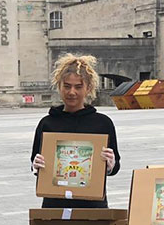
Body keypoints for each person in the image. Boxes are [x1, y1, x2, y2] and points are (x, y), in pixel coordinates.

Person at [31, 54, 120, 209]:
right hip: (55, 204)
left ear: (88, 88)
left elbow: (115, 166)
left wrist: (110, 164)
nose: (72, 92)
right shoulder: (47, 123)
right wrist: (36, 165)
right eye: (67, 86)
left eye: (78, 87)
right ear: (59, 86)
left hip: (91, 206)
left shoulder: (102, 123)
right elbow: (35, 162)